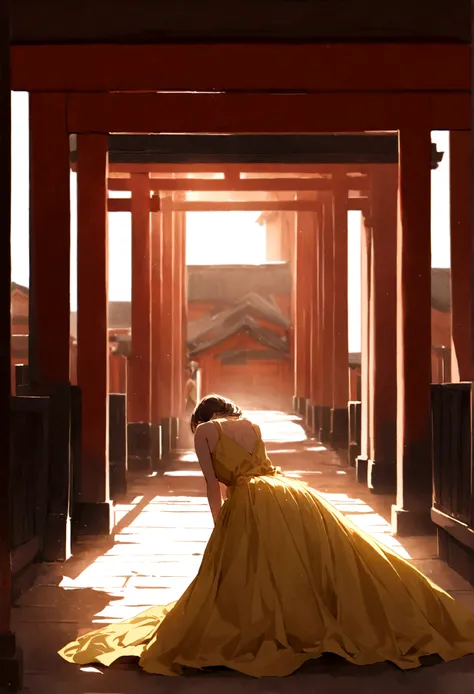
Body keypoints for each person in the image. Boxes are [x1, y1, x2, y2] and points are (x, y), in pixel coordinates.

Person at [59, 394, 474, 677]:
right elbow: (263, 467)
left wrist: (219, 523)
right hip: (290, 493)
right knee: (337, 558)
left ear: (202, 417)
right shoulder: (252, 424)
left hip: (251, 502)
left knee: (255, 572)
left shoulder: (205, 432)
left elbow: (212, 484)